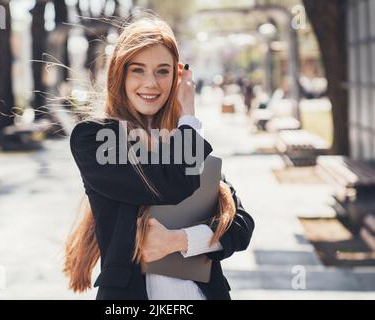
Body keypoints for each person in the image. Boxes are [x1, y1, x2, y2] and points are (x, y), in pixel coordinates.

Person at [64, 15, 254, 300]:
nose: (150, 83)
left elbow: (240, 226)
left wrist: (179, 241)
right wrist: (188, 124)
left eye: (162, 71)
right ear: (120, 74)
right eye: (137, 70)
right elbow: (173, 183)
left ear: (177, 77)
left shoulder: (187, 142)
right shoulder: (94, 138)